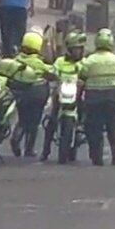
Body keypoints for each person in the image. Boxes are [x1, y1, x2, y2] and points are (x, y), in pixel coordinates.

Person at [0, 30, 52, 158]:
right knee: (34, 122)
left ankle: (16, 137)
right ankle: (29, 149)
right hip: (37, 94)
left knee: (22, 118)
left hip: (19, 93)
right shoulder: (39, 64)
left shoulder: (16, 59)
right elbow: (53, 72)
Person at [80, 28, 115, 167]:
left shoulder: (89, 61)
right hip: (111, 99)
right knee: (111, 128)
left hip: (93, 99)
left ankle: (97, 158)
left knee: (94, 128)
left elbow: (81, 78)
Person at [40, 30, 88, 163]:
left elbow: (89, 74)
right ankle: (45, 150)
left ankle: (81, 126)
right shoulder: (60, 61)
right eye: (75, 49)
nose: (78, 51)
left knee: (86, 108)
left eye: (80, 48)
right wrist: (50, 75)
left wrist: (85, 81)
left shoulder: (85, 63)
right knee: (52, 119)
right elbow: (52, 71)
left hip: (77, 95)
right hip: (61, 94)